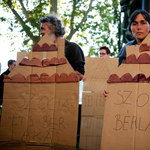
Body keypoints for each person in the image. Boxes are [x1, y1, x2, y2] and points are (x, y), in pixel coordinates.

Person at [104, 9, 150, 100]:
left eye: (143, 23)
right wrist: (110, 91)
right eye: (135, 24)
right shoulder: (125, 50)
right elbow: (119, 78)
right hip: (130, 100)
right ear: (130, 28)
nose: (139, 27)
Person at [39, 12, 85, 81]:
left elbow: (80, 75)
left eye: (43, 29)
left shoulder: (72, 48)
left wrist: (55, 76)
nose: (40, 32)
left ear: (52, 28)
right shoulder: (43, 51)